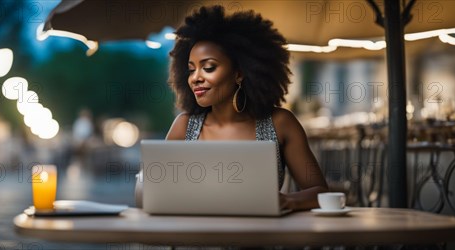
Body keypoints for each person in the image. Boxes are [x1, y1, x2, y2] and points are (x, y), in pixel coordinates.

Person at [137, 5, 328, 211]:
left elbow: (321, 192)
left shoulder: (280, 123)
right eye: (191, 69)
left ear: (239, 73)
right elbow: (152, 190)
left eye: (208, 67)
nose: (195, 78)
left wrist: (287, 201)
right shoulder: (184, 126)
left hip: (258, 240)